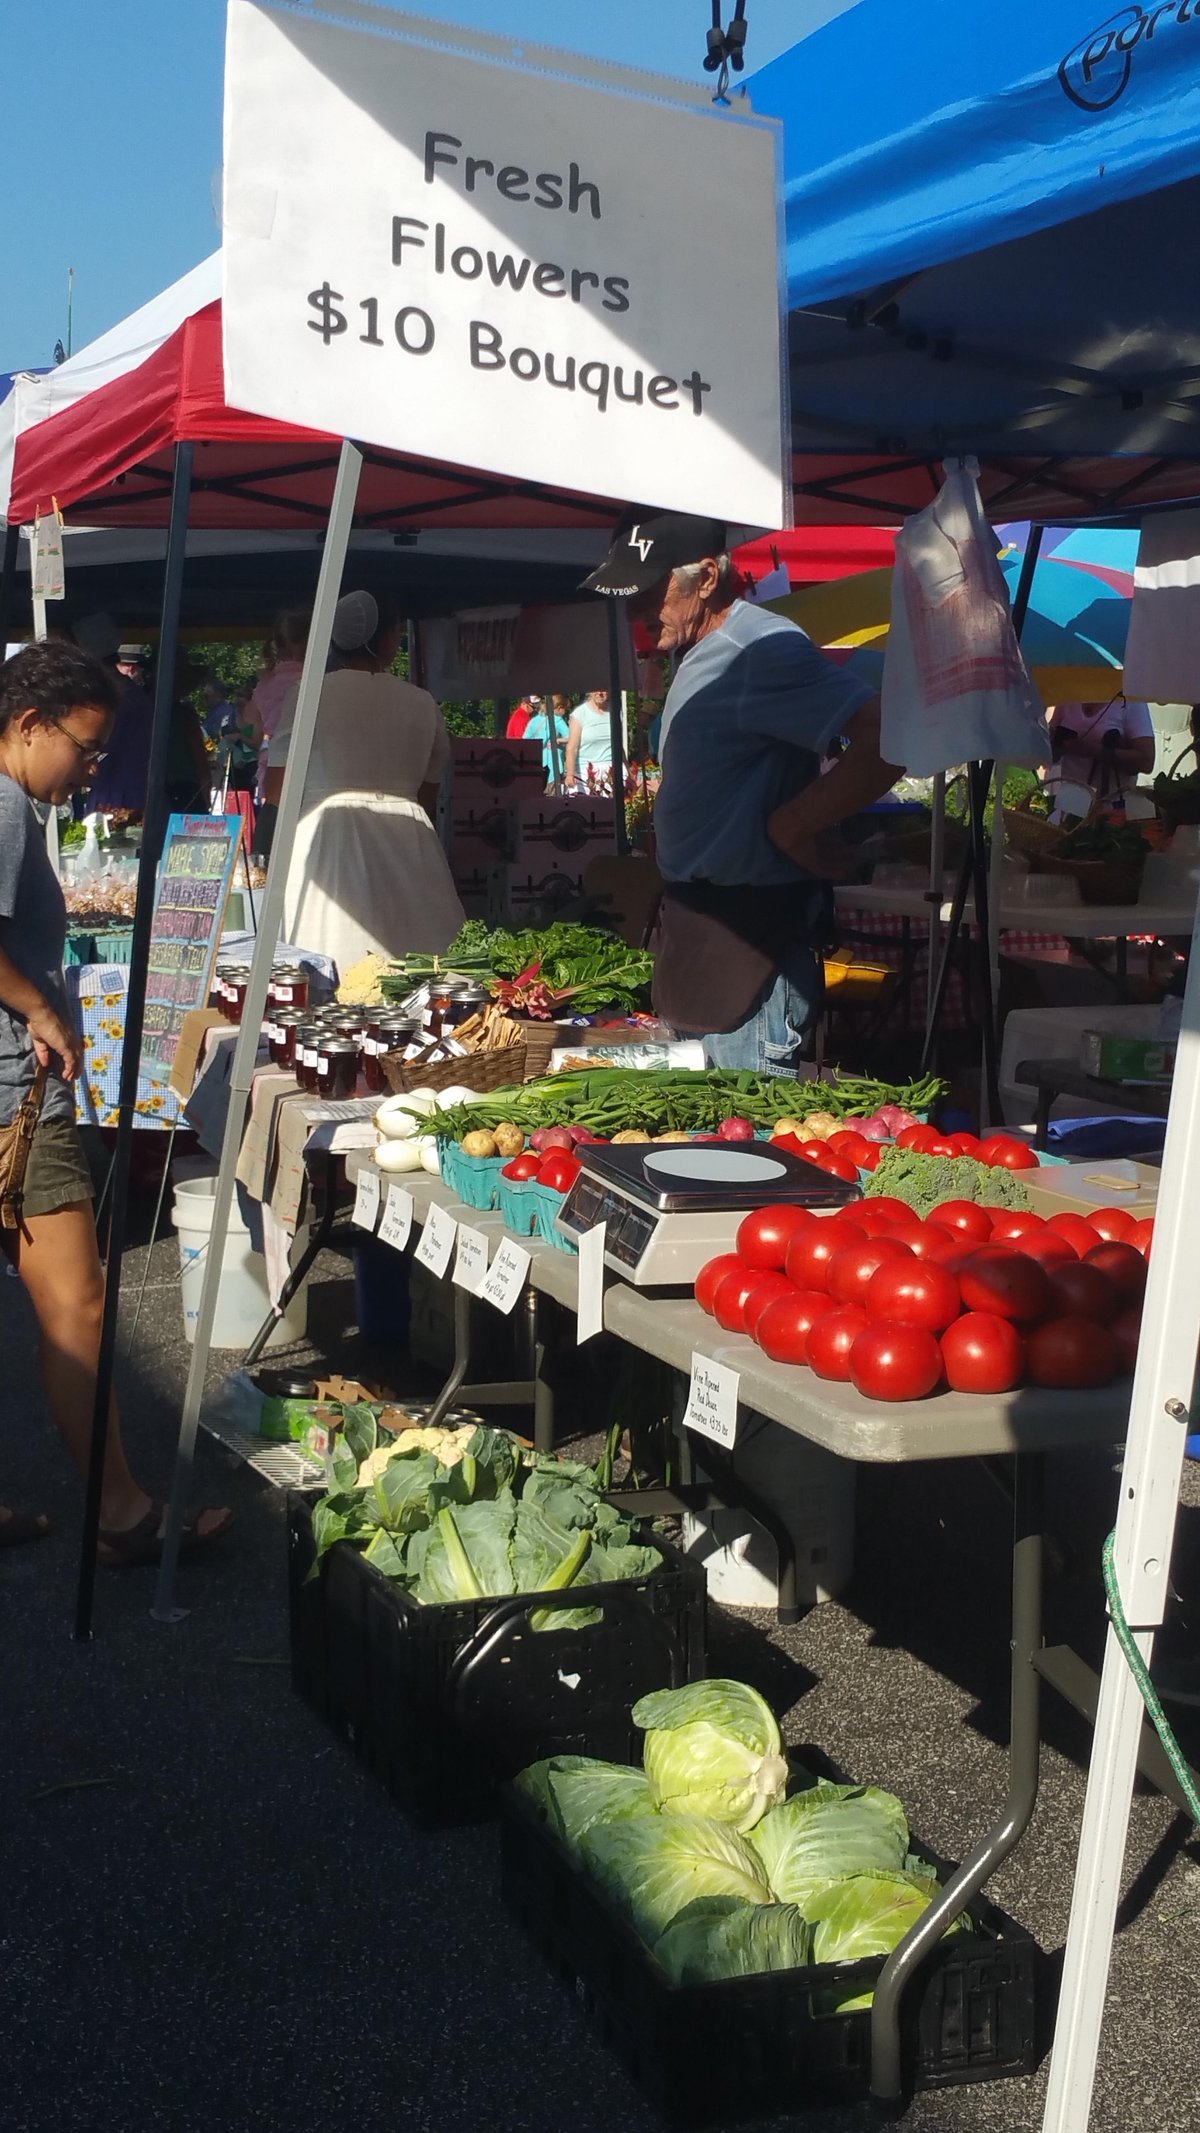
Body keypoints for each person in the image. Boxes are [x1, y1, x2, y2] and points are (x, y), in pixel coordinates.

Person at [0, 642, 231, 1562]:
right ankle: (123, 1511)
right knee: (78, 1303)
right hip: (13, 1093)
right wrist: (40, 1008)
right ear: (27, 726)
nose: (93, 769)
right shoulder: (7, 809)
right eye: (86, 749)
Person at [583, 509, 900, 1072]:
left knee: (745, 1148)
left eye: (650, 590)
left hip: (750, 945)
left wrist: (792, 825)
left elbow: (888, 735)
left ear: (706, 578)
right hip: (702, 939)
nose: (632, 609)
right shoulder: (701, 650)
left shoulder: (761, 648)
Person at [264, 590, 463, 974]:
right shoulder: (422, 701)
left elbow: (277, 789)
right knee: (421, 965)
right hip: (408, 838)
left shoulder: (307, 695)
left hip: (326, 838)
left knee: (328, 961)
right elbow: (428, 790)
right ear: (389, 638)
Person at [1046, 695, 1155, 820]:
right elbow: (1050, 755)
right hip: (1070, 804)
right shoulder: (1069, 697)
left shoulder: (1130, 702)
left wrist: (1095, 750)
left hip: (1112, 809)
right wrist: (1054, 741)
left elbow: (1147, 761)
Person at [80, 642, 154, 817]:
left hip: (117, 795)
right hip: (129, 789)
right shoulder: (132, 693)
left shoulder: (115, 697)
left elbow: (102, 746)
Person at [564, 689, 614, 789]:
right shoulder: (580, 713)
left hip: (611, 771)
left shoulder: (615, 713)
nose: (600, 693)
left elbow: (618, 746)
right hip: (585, 772)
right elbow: (572, 747)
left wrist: (628, 771)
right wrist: (570, 774)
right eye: (596, 689)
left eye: (603, 689)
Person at [522, 695, 571, 788]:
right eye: (566, 709)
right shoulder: (557, 720)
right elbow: (571, 737)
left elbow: (525, 740)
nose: (565, 713)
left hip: (535, 764)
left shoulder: (535, 720)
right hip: (553, 766)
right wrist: (558, 740)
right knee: (553, 798)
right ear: (560, 707)